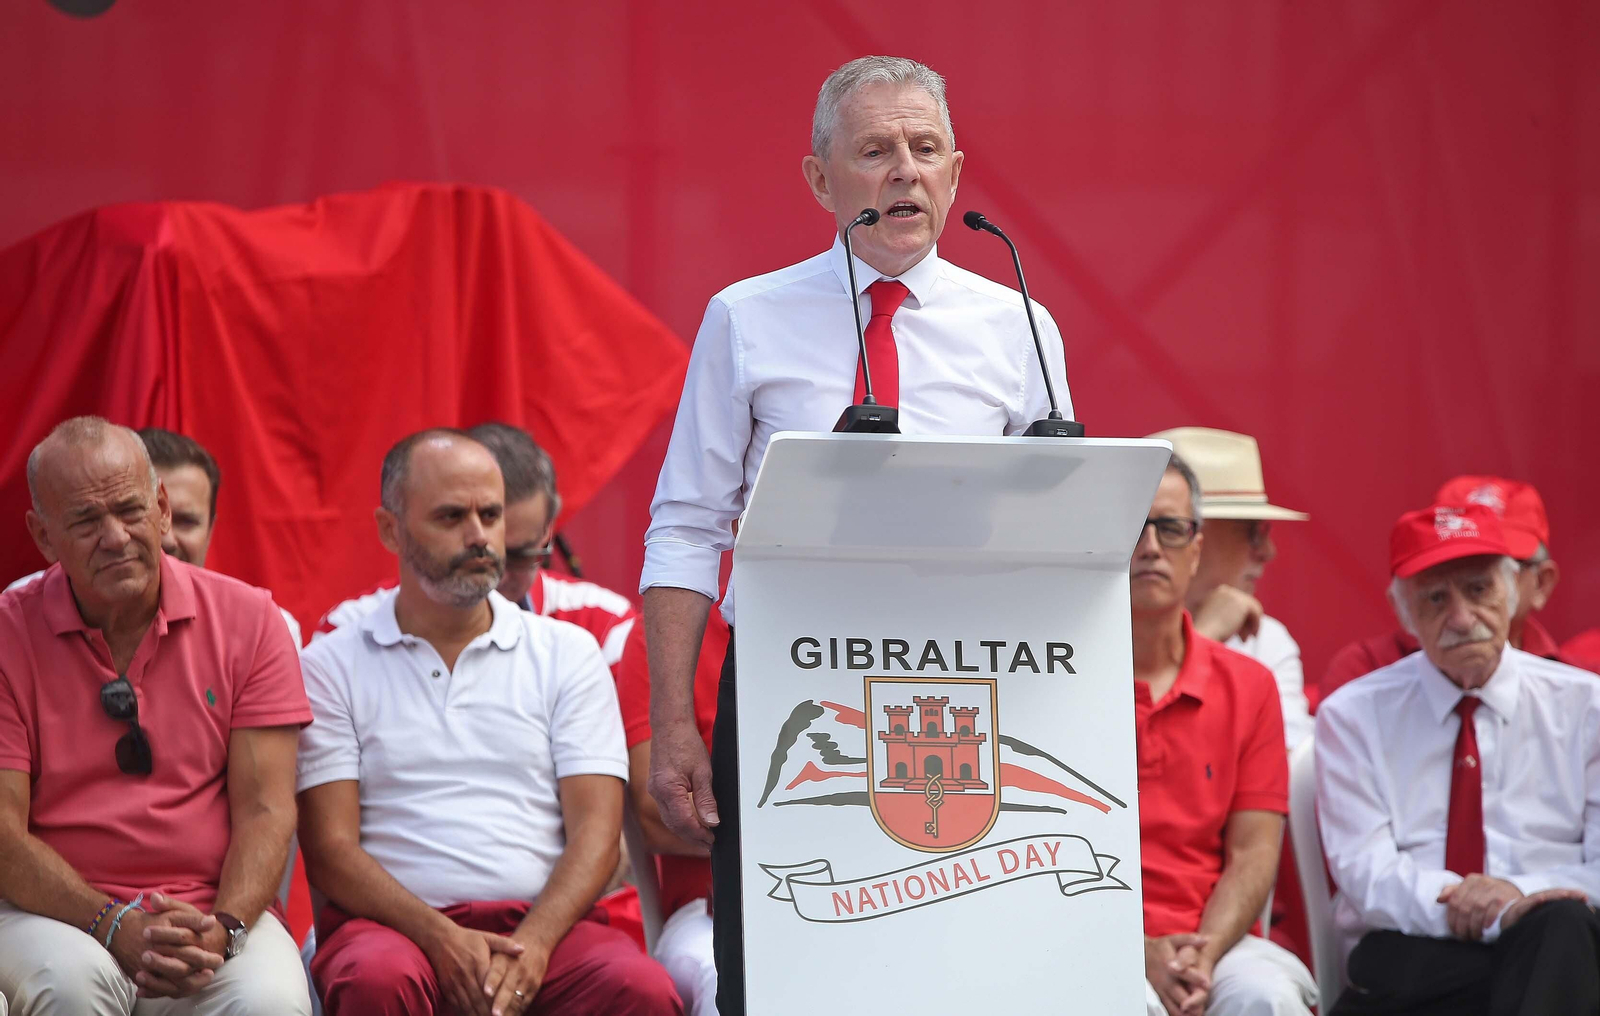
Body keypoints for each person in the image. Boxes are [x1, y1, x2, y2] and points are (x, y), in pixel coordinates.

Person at [640, 55, 1072, 1015]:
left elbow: (1062, 528)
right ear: (820, 178)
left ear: (956, 173)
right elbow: (684, 527)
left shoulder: (1020, 325)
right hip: (793, 692)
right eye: (874, 150)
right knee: (793, 966)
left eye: (925, 150)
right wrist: (675, 717)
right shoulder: (746, 319)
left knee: (958, 964)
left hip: (971, 693)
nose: (903, 171)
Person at [296, 429, 680, 1016]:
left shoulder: (568, 653)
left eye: (490, 514)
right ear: (390, 529)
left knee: (640, 991)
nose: (478, 536)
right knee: (375, 980)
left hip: (548, 926)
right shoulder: (332, 659)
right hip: (395, 931)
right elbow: (328, 848)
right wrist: (439, 938)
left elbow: (597, 837)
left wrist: (533, 946)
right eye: (451, 516)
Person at [0, 416, 313, 1015]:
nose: (115, 537)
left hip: (210, 911)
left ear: (162, 508)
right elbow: (3, 835)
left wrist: (225, 926)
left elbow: (268, 809)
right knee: (68, 987)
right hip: (51, 913)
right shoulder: (9, 632)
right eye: (87, 522)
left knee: (268, 1000)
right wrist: (109, 920)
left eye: (130, 510)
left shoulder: (251, 620)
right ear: (43, 537)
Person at [1315, 504, 1600, 1014]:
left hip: (1556, 937)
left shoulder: (1586, 706)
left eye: (1478, 590)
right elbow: (1367, 872)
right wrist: (1479, 909)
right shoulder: (1353, 715)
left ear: (1513, 592)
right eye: (1435, 599)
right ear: (1402, 610)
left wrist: (1516, 895)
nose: (1463, 618)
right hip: (1416, 945)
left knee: (1560, 929)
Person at [1132, 454, 1316, 1016]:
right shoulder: (1053, 676)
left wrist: (1200, 959)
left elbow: (1255, 852)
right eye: (1131, 526)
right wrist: (1140, 954)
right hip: (1087, 940)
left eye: (1170, 527)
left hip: (1214, 941)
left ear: (1197, 544)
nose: (1150, 546)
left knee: (1266, 997)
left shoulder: (1251, 681)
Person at [316, 421, 636, 669]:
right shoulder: (348, 632)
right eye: (453, 517)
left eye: (522, 556)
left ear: (547, 532)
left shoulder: (603, 627)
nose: (489, 558)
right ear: (392, 529)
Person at [4, 426, 303, 646]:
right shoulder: (16, 619)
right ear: (44, 536)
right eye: (88, 519)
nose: (167, 537)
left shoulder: (262, 627)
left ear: (212, 529)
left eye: (186, 521)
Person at [1316, 476, 1582, 709]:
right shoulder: (1365, 673)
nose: (1462, 617)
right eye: (1436, 592)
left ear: (1536, 582)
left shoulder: (1581, 695)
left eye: (1480, 583)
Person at [1149, 428, 1311, 750]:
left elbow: (1283, 765)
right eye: (1252, 531)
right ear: (1191, 533)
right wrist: (1205, 638)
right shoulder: (1092, 633)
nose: (1268, 550)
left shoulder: (1266, 639)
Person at [614, 607, 730, 1016]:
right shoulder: (669, 631)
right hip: (709, 911)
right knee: (731, 977)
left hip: (874, 892)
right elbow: (653, 817)